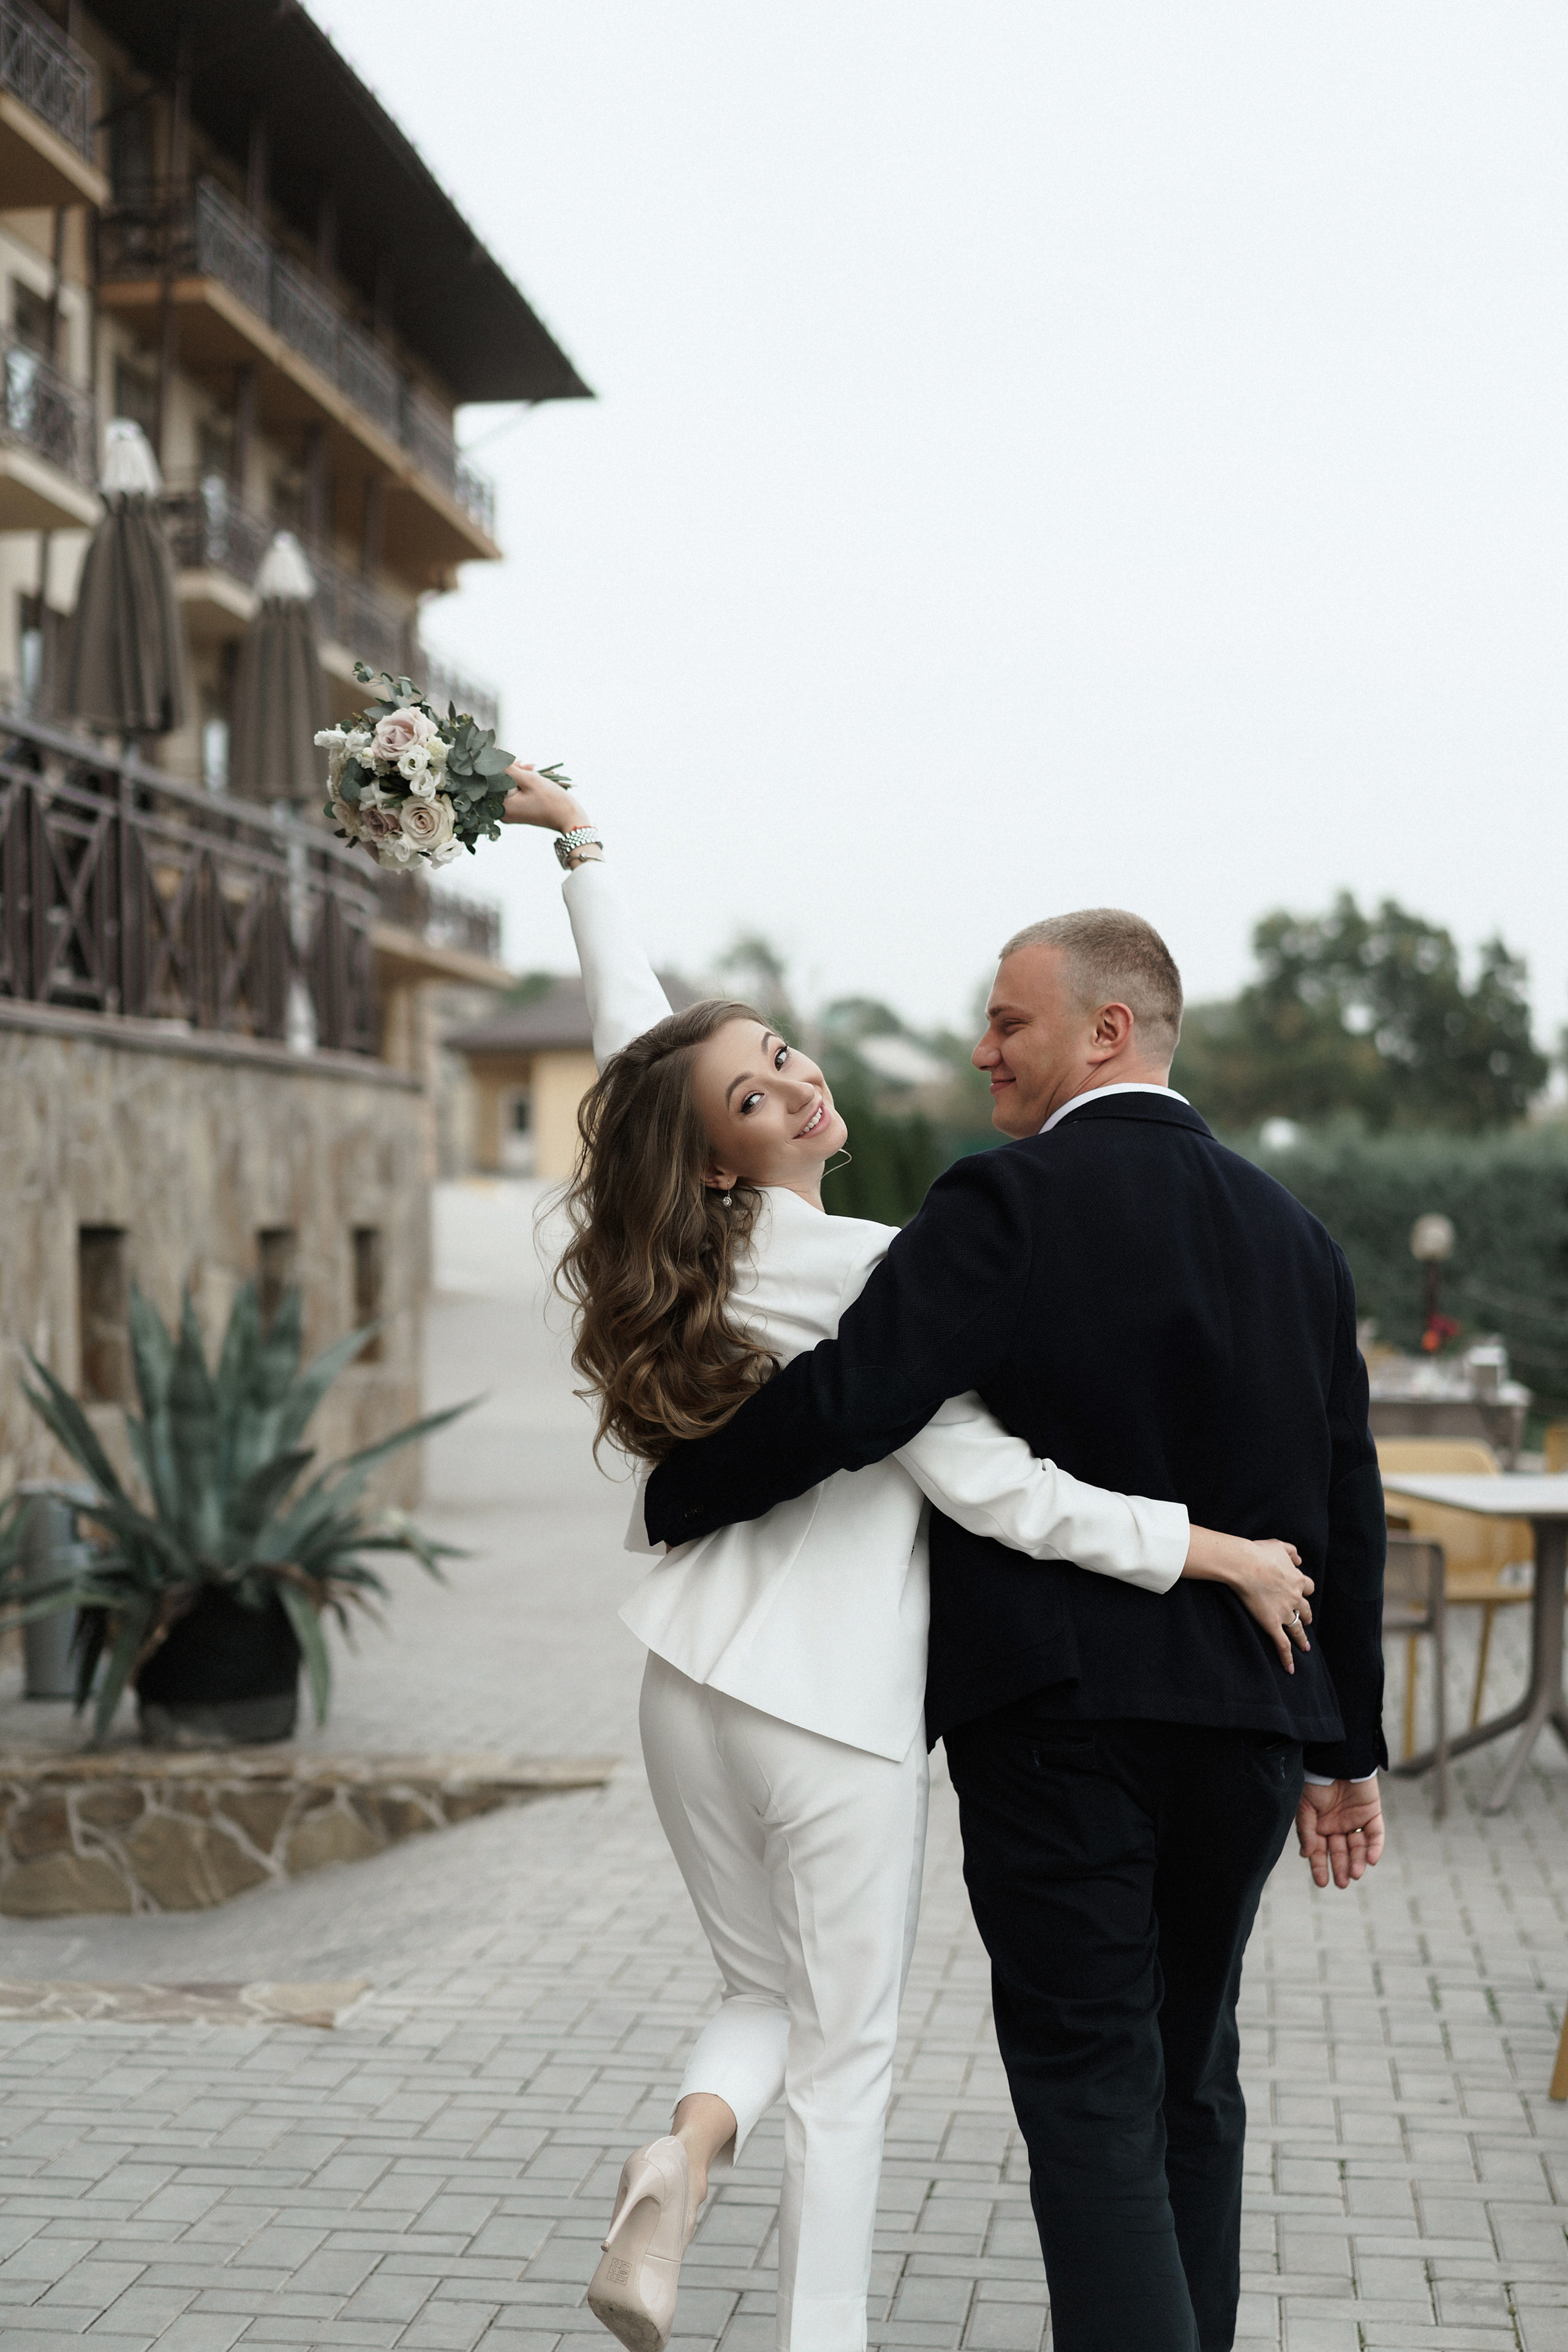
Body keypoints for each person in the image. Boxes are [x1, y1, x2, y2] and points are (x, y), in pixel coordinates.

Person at [500, 772, 1315, 2352]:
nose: (797, 1086)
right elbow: (995, 1487)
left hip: (685, 1682)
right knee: (848, 2060)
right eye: (759, 1094)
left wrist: (582, 847)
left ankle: (677, 2158)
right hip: (831, 1711)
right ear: (725, 1153)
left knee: (755, 1995)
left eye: (784, 1055)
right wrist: (1212, 1551)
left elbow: (634, 1050)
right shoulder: (884, 1269)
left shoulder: (686, 1243)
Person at [644, 906, 1389, 2352]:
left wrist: (683, 1491)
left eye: (1007, 1022)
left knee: (1089, 2091)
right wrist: (1342, 1749)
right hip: (1245, 1724)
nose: (981, 1047)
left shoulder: (1002, 1201)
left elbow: (861, 1397)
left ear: (1105, 1031)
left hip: (1057, 1731)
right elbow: (1340, 1500)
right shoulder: (1297, 1238)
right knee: (1189, 2082)